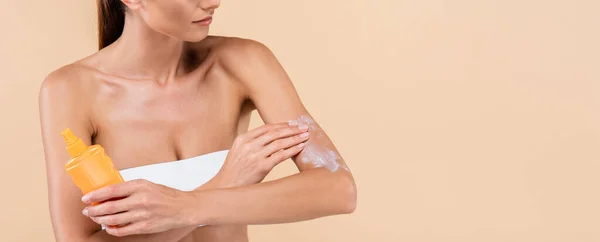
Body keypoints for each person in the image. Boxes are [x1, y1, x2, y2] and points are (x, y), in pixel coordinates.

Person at [38, 0, 357, 241]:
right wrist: (225, 181)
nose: (213, 0)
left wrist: (187, 206)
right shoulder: (68, 90)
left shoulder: (243, 62)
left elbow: (338, 189)